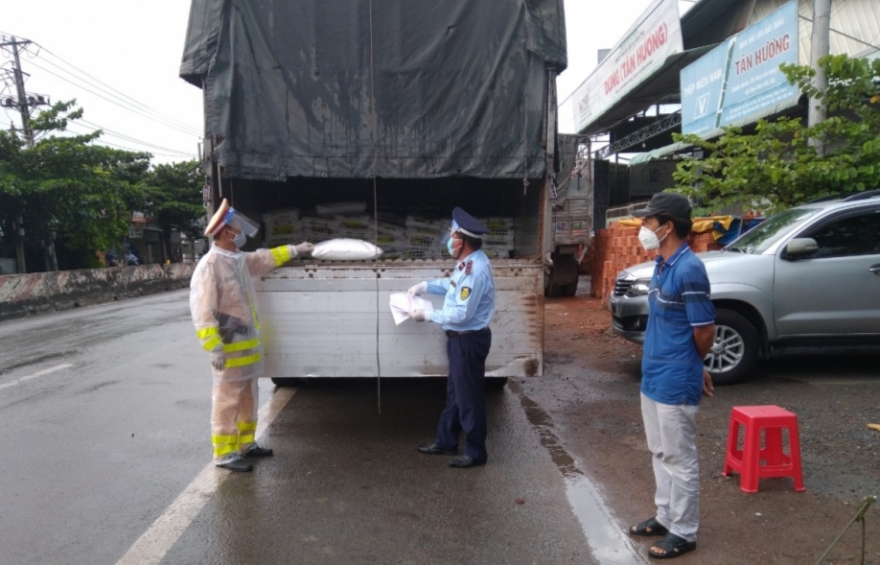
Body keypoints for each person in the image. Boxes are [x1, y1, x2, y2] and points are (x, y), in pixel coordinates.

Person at [190, 198, 314, 472]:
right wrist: (215, 348)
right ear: (225, 232)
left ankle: (246, 445)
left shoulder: (236, 260)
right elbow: (203, 312)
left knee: (248, 398)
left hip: (246, 348)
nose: (241, 232)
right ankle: (224, 454)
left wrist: (295, 249)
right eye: (237, 227)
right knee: (226, 401)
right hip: (229, 349)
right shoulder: (210, 266)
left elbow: (263, 258)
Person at [626, 192, 716, 559]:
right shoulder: (663, 265)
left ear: (668, 226)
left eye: (649, 221)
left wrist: (694, 365)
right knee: (660, 451)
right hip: (654, 375)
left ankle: (684, 530)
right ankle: (665, 516)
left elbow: (705, 329)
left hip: (675, 379)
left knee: (680, 458)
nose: (643, 228)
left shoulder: (690, 269)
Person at [407, 207, 496, 469]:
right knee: (455, 394)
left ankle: (476, 452)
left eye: (451, 234)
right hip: (460, 340)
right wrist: (425, 286)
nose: (448, 239)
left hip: (468, 339)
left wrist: (428, 314)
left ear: (462, 239)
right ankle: (446, 441)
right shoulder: (467, 264)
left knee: (468, 399)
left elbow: (461, 313)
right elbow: (451, 286)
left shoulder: (475, 270)